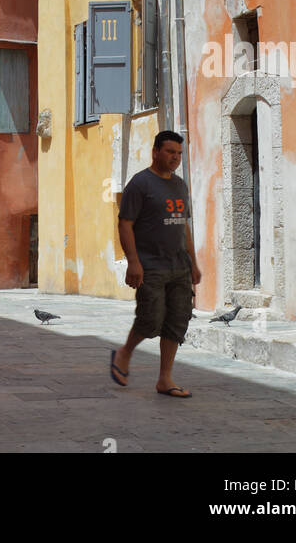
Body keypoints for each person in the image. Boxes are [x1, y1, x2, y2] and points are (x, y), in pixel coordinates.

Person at [111, 130, 201, 398]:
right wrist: (133, 262)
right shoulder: (140, 184)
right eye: (170, 152)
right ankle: (125, 352)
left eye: (179, 153)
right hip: (151, 265)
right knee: (150, 318)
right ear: (155, 152)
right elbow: (125, 224)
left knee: (177, 321)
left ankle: (165, 379)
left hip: (179, 266)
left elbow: (184, 225)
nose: (175, 157)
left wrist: (193, 263)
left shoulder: (180, 185)